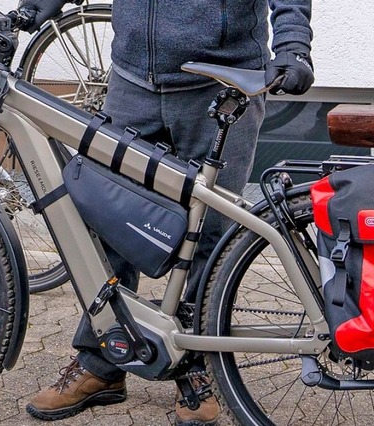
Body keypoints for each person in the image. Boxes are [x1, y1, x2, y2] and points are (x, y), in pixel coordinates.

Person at [17, 0, 314, 424]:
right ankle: (102, 361)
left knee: (210, 237)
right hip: (132, 80)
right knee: (107, 223)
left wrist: (293, 44)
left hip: (218, 84)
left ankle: (197, 370)